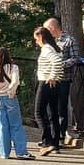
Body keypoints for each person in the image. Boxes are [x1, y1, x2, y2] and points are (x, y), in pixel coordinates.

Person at [0, 47, 34, 159]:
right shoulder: (13, 67)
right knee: (16, 125)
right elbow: (15, 81)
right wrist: (11, 91)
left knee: (2, 125)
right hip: (10, 98)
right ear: (8, 56)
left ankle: (4, 152)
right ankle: (21, 152)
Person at [44, 16, 78, 143]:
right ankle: (50, 135)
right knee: (49, 107)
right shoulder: (49, 42)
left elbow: (75, 58)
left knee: (61, 107)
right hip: (50, 78)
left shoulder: (69, 40)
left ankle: (60, 134)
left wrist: (60, 64)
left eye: (46, 29)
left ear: (52, 28)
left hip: (63, 78)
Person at [33, 25, 65, 154]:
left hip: (46, 82)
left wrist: (51, 76)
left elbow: (57, 62)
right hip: (56, 84)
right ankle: (56, 143)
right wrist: (55, 77)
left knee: (39, 112)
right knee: (53, 113)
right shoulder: (55, 48)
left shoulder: (47, 49)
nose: (36, 42)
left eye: (36, 39)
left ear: (41, 37)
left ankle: (47, 142)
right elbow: (59, 61)